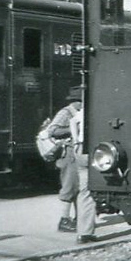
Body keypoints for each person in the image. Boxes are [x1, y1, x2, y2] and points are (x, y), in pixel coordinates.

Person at [47, 87, 82, 232]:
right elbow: (52, 131)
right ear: (77, 101)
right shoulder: (66, 112)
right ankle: (64, 220)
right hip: (69, 153)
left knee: (79, 187)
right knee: (69, 186)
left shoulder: (78, 112)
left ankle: (79, 218)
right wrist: (74, 128)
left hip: (77, 152)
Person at [69, 102, 98, 244]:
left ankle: (83, 233)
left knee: (84, 191)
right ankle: (86, 232)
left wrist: (75, 140)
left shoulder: (85, 109)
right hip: (93, 150)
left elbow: (72, 121)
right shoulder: (99, 108)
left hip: (80, 149)